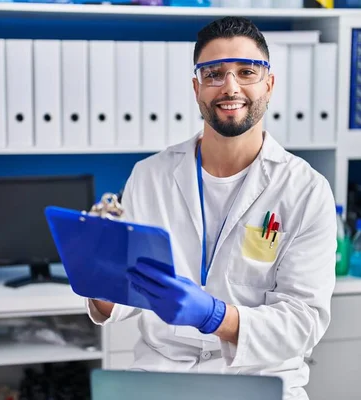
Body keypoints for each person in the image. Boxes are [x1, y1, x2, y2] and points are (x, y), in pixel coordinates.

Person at [86, 16, 336, 400]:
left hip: (258, 381)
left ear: (268, 84)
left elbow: (303, 323)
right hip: (161, 378)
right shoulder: (149, 176)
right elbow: (126, 293)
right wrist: (98, 281)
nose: (230, 86)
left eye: (246, 72)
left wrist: (217, 317)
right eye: (214, 74)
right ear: (196, 88)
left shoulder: (306, 190)